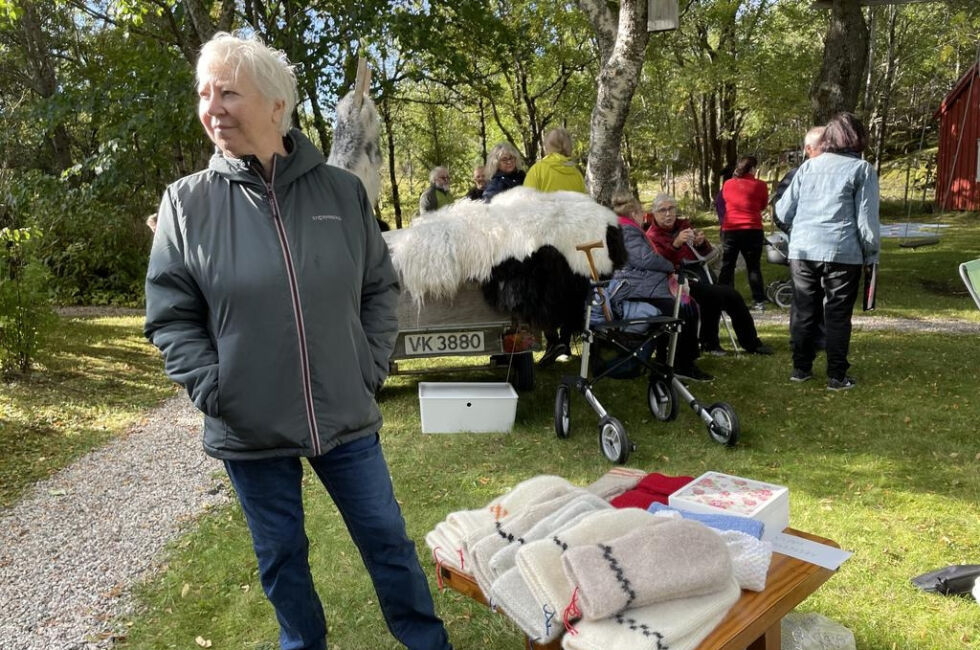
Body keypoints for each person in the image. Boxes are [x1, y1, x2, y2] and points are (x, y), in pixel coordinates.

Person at [144, 33, 452, 650]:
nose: (213, 107)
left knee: (387, 540)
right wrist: (216, 387)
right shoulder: (186, 204)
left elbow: (377, 287)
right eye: (204, 94)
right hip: (249, 425)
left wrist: (369, 365)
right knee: (281, 558)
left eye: (229, 92)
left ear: (277, 105)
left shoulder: (340, 192)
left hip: (344, 409)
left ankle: (427, 643)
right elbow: (170, 316)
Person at [774, 112, 880, 391]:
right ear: (858, 137)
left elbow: (783, 210)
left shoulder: (808, 167)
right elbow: (866, 220)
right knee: (837, 315)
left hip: (803, 250)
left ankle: (801, 369)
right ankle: (836, 375)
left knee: (803, 311)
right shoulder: (863, 170)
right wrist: (871, 254)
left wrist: (799, 232)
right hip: (842, 251)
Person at [645, 193, 772, 356]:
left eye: (671, 209)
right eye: (662, 210)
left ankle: (748, 343)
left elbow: (707, 254)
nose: (668, 214)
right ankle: (713, 343)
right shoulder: (652, 236)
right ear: (654, 213)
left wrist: (700, 242)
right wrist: (675, 245)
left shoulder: (683, 225)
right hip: (673, 283)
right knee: (720, 295)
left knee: (726, 295)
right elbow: (661, 264)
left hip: (696, 275)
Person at [609, 191, 713, 382]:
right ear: (634, 213)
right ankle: (682, 364)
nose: (644, 217)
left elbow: (645, 260)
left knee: (686, 306)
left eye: (671, 209)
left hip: (641, 284)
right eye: (642, 212)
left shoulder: (626, 228)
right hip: (635, 287)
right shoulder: (628, 230)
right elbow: (645, 259)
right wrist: (669, 265)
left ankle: (676, 360)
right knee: (682, 310)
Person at [524, 128, 587, 365]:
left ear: (546, 145)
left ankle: (552, 341)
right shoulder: (576, 174)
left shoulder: (538, 170)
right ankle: (565, 339)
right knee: (569, 292)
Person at [719, 155, 769, 311]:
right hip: (752, 229)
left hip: (731, 228)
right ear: (753, 169)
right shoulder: (760, 185)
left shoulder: (727, 184)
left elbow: (726, 201)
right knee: (753, 266)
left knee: (728, 265)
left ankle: (724, 299)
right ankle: (758, 300)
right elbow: (762, 205)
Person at [772, 126, 825, 214]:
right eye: (824, 148)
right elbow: (780, 212)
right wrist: (793, 227)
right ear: (809, 149)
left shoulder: (843, 174)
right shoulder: (794, 176)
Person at [523, 127, 587, 194]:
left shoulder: (537, 170)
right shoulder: (577, 174)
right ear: (568, 146)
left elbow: (526, 200)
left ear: (547, 146)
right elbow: (584, 201)